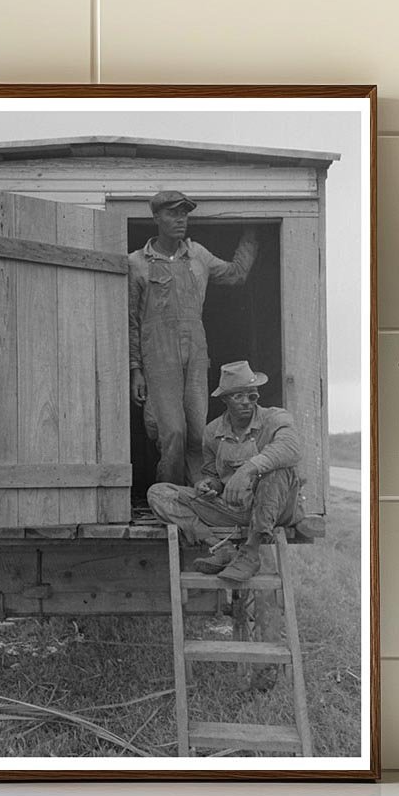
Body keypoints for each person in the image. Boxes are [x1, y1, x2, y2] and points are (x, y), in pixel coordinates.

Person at [129, 191, 258, 485]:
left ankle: (198, 497)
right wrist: (136, 369)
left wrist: (252, 231)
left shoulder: (198, 255)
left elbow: (236, 274)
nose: (181, 219)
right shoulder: (137, 263)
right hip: (158, 359)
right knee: (172, 433)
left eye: (184, 214)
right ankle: (168, 497)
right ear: (156, 217)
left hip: (196, 354)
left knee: (199, 434)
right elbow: (132, 321)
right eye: (173, 213)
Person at [146, 361, 305, 584]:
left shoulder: (275, 418)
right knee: (159, 493)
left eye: (252, 396)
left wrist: (247, 470)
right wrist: (209, 485)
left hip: (277, 507)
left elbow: (291, 448)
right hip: (235, 508)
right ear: (225, 399)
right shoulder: (212, 432)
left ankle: (250, 553)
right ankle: (221, 548)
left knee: (277, 471)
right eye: (238, 396)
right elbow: (213, 475)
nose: (247, 402)